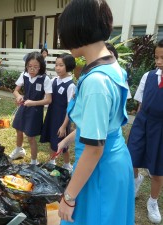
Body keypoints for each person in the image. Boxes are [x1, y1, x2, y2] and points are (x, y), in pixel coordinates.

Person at [56, 0, 134, 224]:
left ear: (76, 29)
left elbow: (93, 149)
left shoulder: (95, 82)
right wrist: (69, 139)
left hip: (99, 170)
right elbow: (103, 123)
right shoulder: (112, 67)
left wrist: (68, 197)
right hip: (114, 160)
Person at [127, 39, 163, 224]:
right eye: (156, 57)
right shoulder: (148, 76)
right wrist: (139, 125)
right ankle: (135, 181)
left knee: (157, 170)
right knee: (132, 157)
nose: (158, 62)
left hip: (161, 128)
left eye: (162, 58)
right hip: (143, 122)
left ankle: (153, 201)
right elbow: (141, 104)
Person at [9, 51, 52, 165]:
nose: (32, 70)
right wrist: (18, 97)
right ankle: (19, 150)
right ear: (26, 66)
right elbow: (15, 90)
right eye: (29, 66)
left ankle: (34, 161)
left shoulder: (44, 79)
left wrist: (33, 103)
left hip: (35, 110)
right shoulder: (24, 75)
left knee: (31, 137)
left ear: (41, 67)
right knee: (18, 129)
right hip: (24, 106)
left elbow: (48, 100)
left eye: (35, 67)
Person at [40, 53, 76, 172]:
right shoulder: (54, 80)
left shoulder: (70, 86)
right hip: (51, 115)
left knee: (63, 144)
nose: (58, 68)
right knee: (52, 139)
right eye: (56, 65)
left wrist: (64, 126)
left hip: (62, 118)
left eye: (61, 65)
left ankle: (67, 164)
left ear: (69, 66)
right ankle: (52, 161)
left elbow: (69, 108)